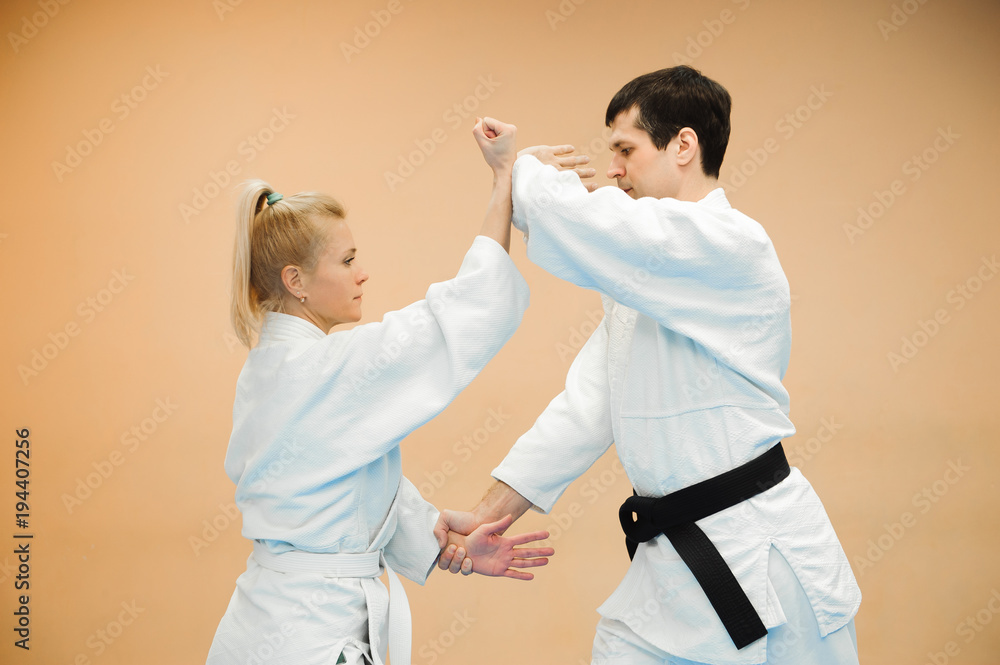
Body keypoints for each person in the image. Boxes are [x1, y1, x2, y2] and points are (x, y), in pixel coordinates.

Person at [436, 66, 862, 665]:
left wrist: (519, 171)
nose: (612, 169)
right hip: (675, 564)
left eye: (625, 149)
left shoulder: (732, 245)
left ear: (683, 145)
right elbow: (585, 410)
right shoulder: (644, 286)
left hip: (762, 553)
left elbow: (603, 230)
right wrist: (488, 514)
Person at [206, 121, 568, 665]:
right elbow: (465, 311)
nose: (362, 274)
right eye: (347, 261)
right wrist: (504, 184)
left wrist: (441, 540)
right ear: (296, 281)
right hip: (310, 636)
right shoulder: (323, 370)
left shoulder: (270, 370)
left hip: (263, 625)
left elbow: (343, 489)